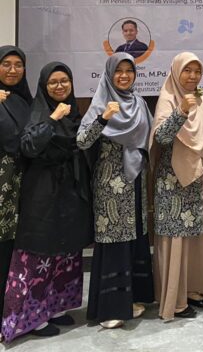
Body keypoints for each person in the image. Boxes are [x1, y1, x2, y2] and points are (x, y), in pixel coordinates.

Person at [1, 62, 93, 341]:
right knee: (39, 251)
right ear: (43, 86)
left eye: (65, 81)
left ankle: (55, 307)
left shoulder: (73, 111)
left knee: (64, 250)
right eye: (53, 82)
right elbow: (29, 147)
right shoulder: (38, 111)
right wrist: (52, 118)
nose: (60, 86)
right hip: (42, 192)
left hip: (69, 192)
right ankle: (31, 317)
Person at [76, 53, 154, 329]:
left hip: (136, 183)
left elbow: (149, 139)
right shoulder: (100, 103)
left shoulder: (139, 103)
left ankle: (131, 299)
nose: (124, 76)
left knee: (134, 241)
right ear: (109, 74)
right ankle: (110, 309)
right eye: (118, 71)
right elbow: (82, 141)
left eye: (128, 71)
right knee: (114, 244)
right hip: (110, 187)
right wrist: (103, 118)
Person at [150, 52, 203, 321]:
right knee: (176, 236)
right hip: (173, 181)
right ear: (176, 72)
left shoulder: (200, 99)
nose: (192, 76)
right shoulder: (168, 98)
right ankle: (175, 300)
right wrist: (181, 111)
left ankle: (195, 289)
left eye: (197, 71)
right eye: (187, 71)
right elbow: (162, 137)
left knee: (199, 235)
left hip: (199, 179)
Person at [0, 46, 32, 326]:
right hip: (2, 186)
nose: (13, 70)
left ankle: (15, 313)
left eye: (18, 65)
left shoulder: (23, 100)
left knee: (15, 249)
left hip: (22, 184)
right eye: (6, 64)